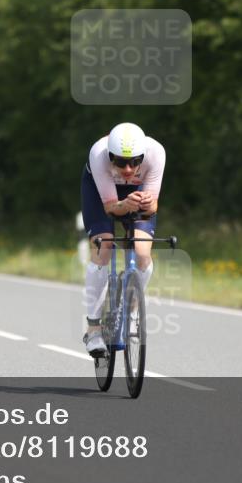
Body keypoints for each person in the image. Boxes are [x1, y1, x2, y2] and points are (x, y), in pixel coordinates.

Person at [80, 123, 165, 356]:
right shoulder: (98, 154)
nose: (128, 169)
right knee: (104, 246)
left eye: (135, 161)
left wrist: (148, 204)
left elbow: (153, 207)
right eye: (120, 162)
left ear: (143, 156)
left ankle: (134, 310)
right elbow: (110, 208)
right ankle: (94, 329)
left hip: (136, 192)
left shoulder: (156, 153)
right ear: (110, 156)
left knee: (142, 252)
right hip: (101, 195)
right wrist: (122, 205)